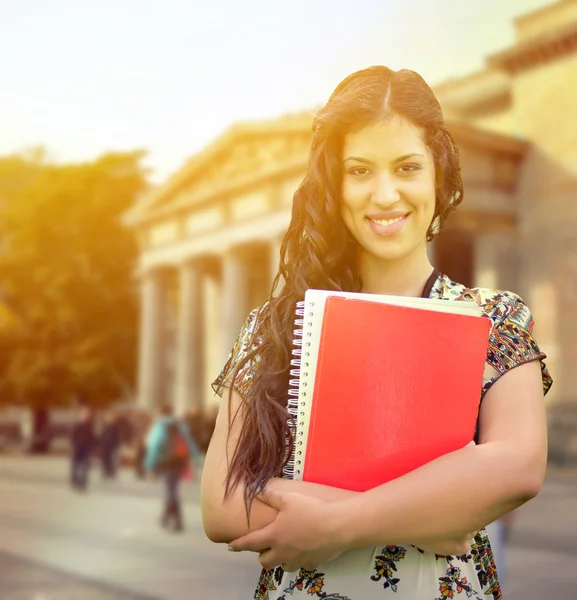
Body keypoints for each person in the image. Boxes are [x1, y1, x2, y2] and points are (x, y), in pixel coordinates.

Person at [200, 66, 553, 599]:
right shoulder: (272, 326)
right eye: (360, 170)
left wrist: (335, 525)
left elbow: (517, 466)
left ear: (439, 174)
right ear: (334, 184)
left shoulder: (495, 317)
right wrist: (435, 511)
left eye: (407, 167)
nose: (384, 195)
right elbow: (222, 505)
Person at [144, 404, 202, 532]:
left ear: (160, 413)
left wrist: (149, 465)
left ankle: (176, 519)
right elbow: (189, 442)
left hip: (166, 461)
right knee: (173, 488)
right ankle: (167, 517)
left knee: (170, 490)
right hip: (179, 461)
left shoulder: (159, 426)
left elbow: (154, 447)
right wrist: (196, 457)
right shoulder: (179, 425)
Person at [70, 405, 97, 492]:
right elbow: (72, 436)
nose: (86, 416)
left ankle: (82, 484)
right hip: (77, 448)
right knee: (76, 466)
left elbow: (92, 437)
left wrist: (94, 446)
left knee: (85, 467)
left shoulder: (89, 425)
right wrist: (73, 446)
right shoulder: (76, 424)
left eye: (88, 414)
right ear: (80, 414)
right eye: (84, 414)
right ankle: (75, 481)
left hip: (86, 448)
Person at [98, 409, 121, 479]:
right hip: (105, 446)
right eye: (109, 417)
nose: (111, 419)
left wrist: (116, 444)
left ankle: (111, 472)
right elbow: (102, 436)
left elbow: (117, 437)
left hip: (112, 446)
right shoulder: (105, 426)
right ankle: (105, 471)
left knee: (112, 460)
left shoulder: (115, 427)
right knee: (105, 459)